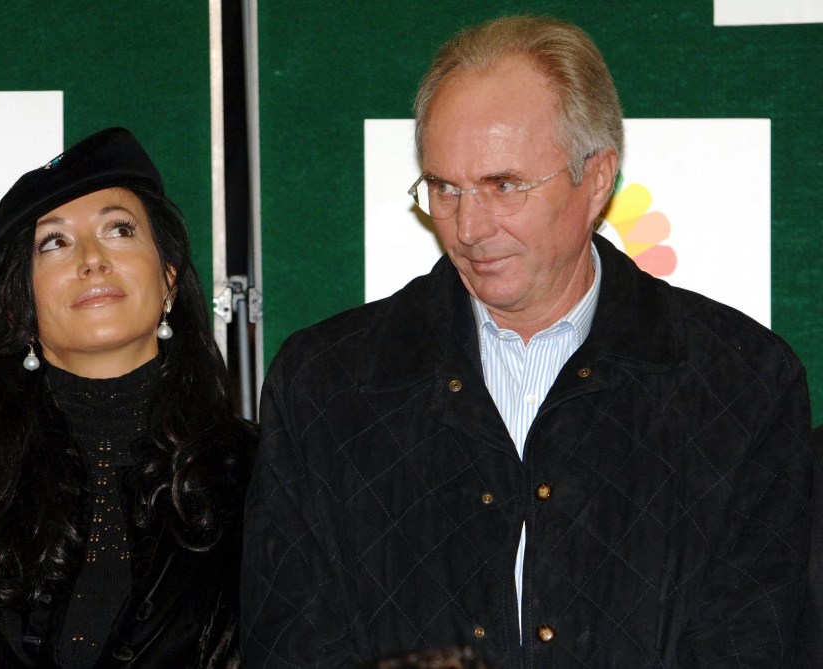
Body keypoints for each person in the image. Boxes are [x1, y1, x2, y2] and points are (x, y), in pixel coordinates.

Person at [241, 16, 814, 668]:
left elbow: (754, 641)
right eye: (444, 189)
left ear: (596, 178)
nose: (468, 226)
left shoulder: (739, 384)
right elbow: (288, 644)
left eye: (503, 185)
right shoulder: (325, 385)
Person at [0, 128, 255, 667]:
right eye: (54, 242)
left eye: (119, 230)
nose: (92, 259)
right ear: (16, 307)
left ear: (168, 279)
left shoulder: (252, 470)